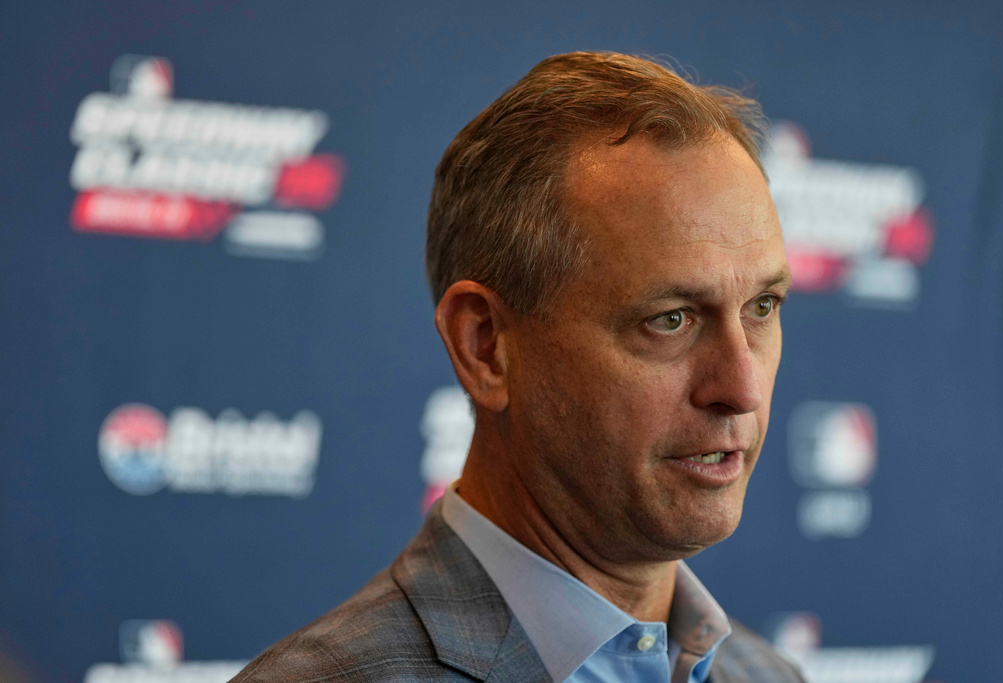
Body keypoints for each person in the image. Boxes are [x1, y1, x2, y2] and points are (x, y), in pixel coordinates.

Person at [231, 51, 804, 683]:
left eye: (762, 306)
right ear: (485, 347)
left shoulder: (769, 675)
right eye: (670, 319)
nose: (742, 387)